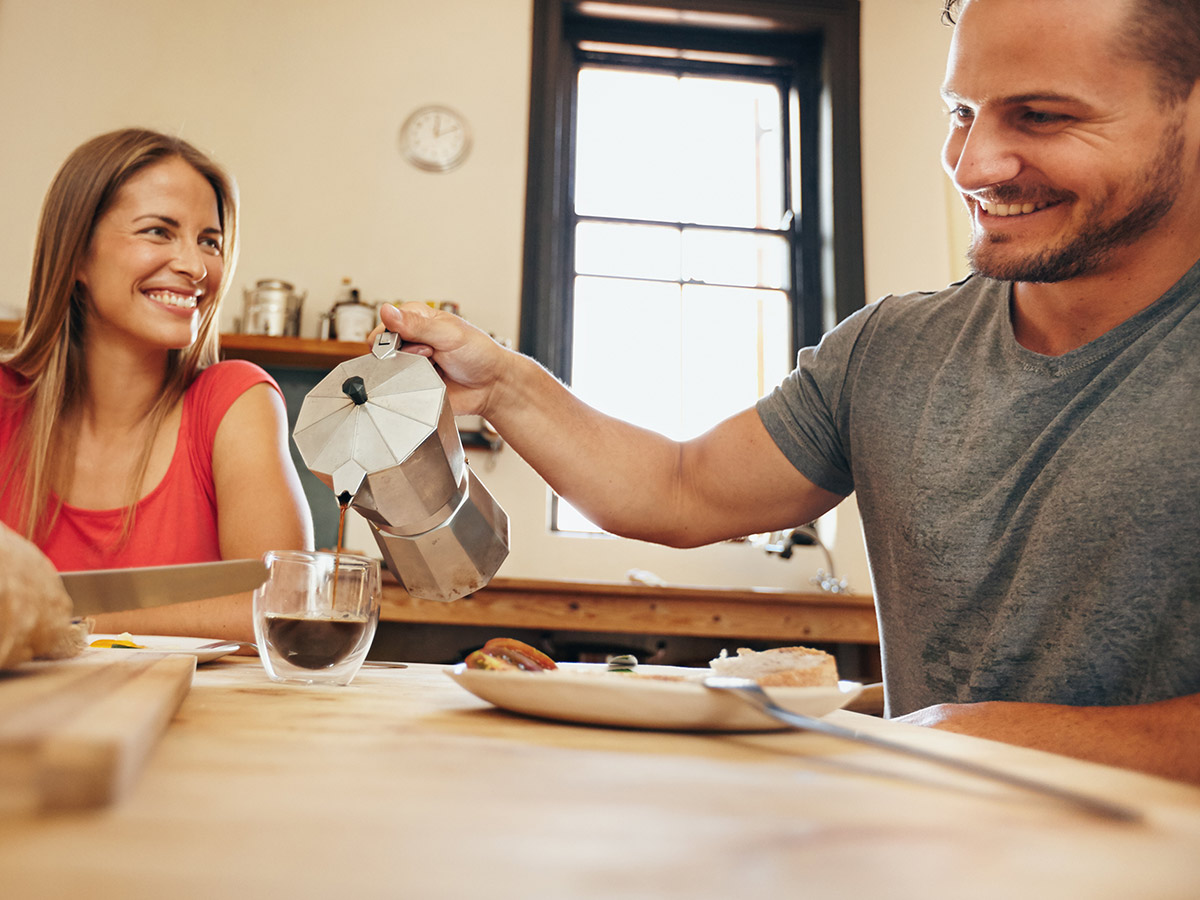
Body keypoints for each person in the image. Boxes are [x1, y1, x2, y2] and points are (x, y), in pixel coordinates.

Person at [371, 0, 1200, 784]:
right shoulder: (891, 351)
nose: (972, 162)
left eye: (1043, 116)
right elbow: (679, 487)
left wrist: (971, 736)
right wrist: (505, 383)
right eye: (960, 111)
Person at [0, 128, 313, 643]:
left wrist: (55, 619)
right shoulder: (7, 402)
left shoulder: (234, 402)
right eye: (157, 232)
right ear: (77, 255)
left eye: (209, 241)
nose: (195, 266)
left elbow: (287, 608)